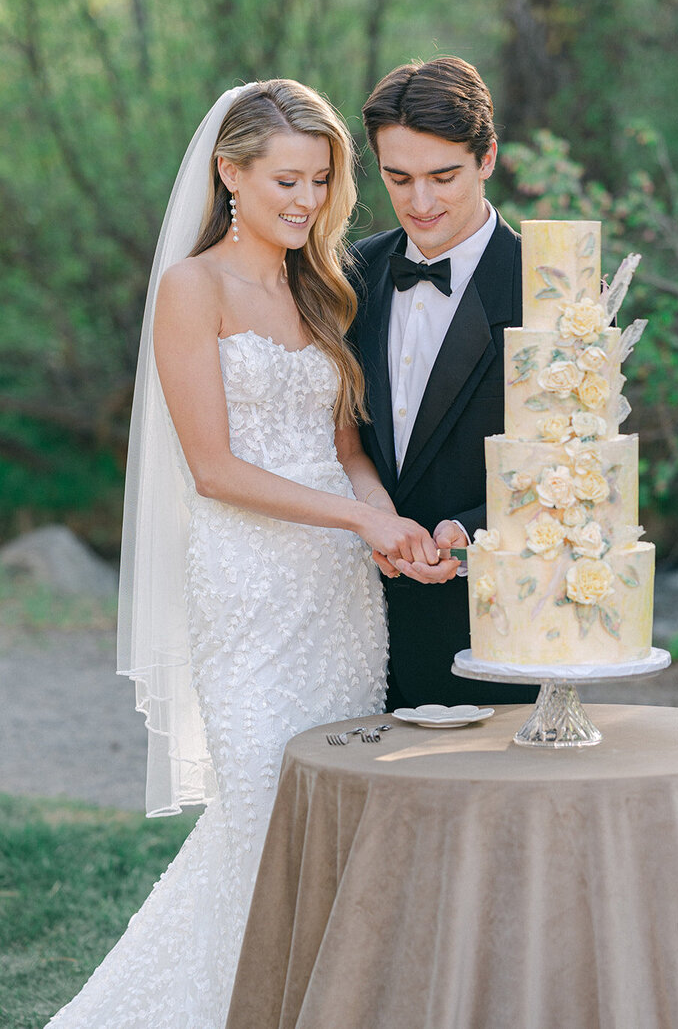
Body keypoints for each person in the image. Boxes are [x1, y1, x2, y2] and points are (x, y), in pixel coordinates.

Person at [45, 80, 438, 1028]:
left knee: (336, 826)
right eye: (286, 182)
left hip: (340, 599)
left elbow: (349, 453)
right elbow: (215, 469)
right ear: (230, 173)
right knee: (261, 815)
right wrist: (358, 523)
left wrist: (391, 527)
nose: (307, 202)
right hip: (250, 592)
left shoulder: (326, 287)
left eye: (321, 182)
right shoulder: (192, 289)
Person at [351, 55, 536, 709]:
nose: (420, 203)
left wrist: (471, 530)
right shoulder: (346, 276)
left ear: (488, 158)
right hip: (351, 625)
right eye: (399, 178)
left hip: (496, 633)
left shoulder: (553, 291)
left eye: (443, 177)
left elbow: (583, 472)